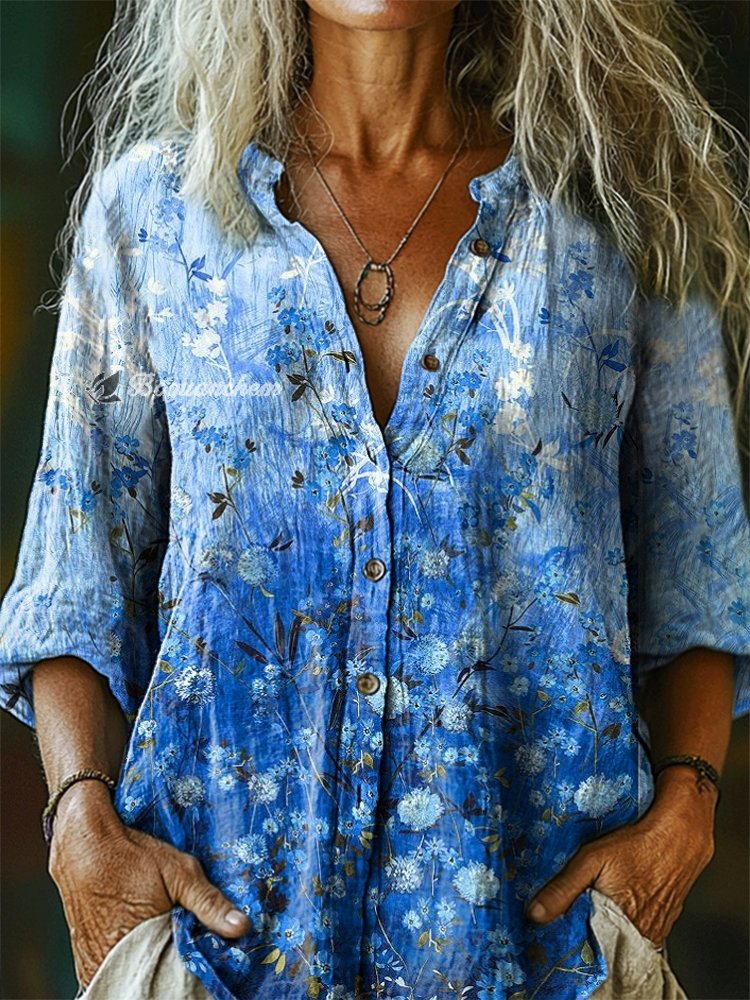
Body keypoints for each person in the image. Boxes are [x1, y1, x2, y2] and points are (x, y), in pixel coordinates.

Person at [1, 1, 749, 998]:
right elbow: (74, 574)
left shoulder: (618, 212)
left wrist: (689, 807)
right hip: (217, 962)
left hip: (545, 961)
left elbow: (699, 569)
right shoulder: (154, 215)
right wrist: (79, 820)